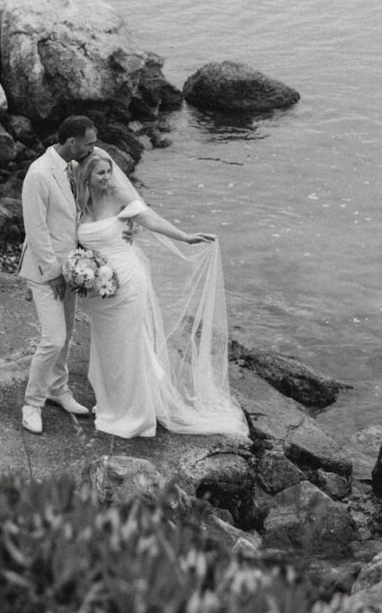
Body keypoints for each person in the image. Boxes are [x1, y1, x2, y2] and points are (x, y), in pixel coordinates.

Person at [75, 153, 248, 440]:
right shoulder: (80, 203)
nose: (107, 177)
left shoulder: (118, 196)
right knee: (108, 345)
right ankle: (113, 402)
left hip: (128, 282)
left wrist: (185, 237)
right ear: (87, 177)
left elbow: (149, 219)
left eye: (108, 171)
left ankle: (136, 412)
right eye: (100, 173)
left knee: (130, 343)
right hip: (99, 288)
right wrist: (79, 269)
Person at [18, 114, 135, 434]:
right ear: (72, 142)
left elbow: (81, 212)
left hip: (73, 267)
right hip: (44, 270)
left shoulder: (72, 168)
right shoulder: (39, 174)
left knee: (67, 333)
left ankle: (58, 389)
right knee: (53, 338)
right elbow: (36, 228)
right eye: (89, 143)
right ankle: (32, 403)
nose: (93, 149)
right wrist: (53, 271)